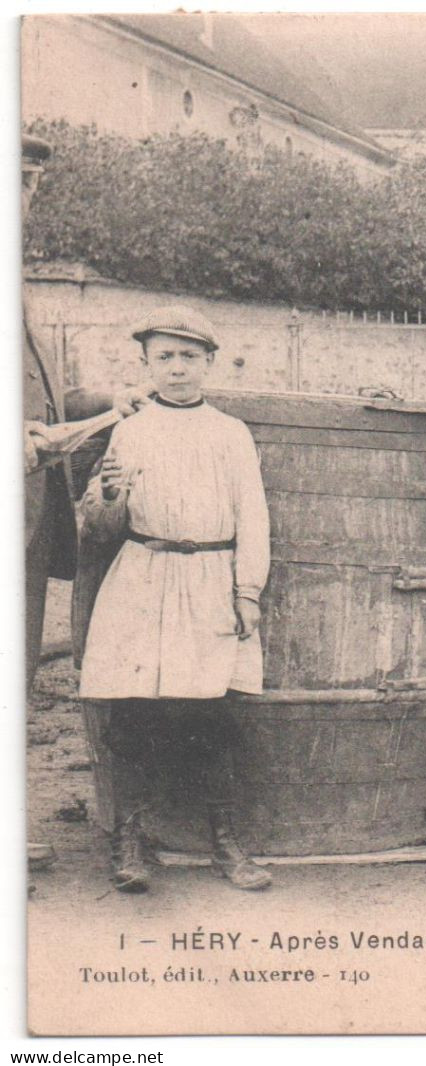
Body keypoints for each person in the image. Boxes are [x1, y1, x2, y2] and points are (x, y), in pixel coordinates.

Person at [78, 306, 273, 893]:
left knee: (209, 714)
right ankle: (130, 843)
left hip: (211, 580)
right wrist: (108, 498)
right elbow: (101, 529)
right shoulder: (129, 431)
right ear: (146, 365)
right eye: (164, 357)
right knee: (133, 712)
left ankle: (225, 843)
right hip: (143, 579)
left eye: (189, 357)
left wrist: (247, 592)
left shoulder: (230, 433)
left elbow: (253, 518)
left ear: (210, 363)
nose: (177, 369)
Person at [22, 132, 147, 874]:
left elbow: (47, 402)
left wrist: (110, 400)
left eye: (32, 184)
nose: (24, 196)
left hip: (30, 515)